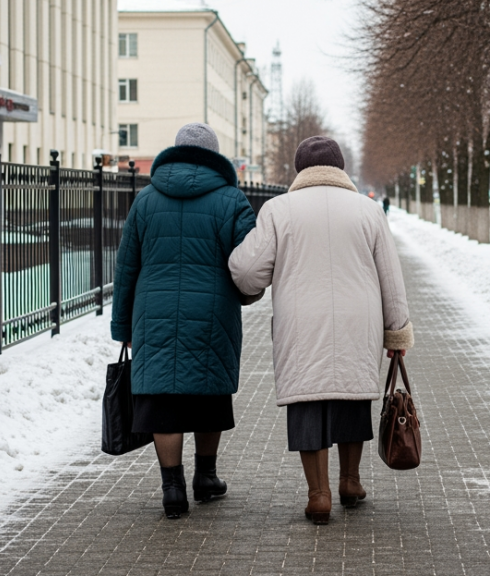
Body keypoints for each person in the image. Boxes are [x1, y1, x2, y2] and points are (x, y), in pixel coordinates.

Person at [229, 136, 413, 525]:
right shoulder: (368, 210)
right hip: (357, 321)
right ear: (340, 168)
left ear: (300, 170)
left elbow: (248, 274)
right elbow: (391, 278)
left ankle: (318, 495)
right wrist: (396, 331)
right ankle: (350, 481)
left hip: (301, 320)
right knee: (350, 396)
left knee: (307, 401)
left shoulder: (279, 209)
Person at [111, 122, 257, 519]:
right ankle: (205, 477)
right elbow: (249, 262)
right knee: (208, 394)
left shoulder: (146, 200)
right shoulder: (231, 200)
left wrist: (122, 326)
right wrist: (248, 294)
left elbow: (126, 268)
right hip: (212, 312)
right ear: (214, 155)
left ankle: (172, 487)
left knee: (162, 399)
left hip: (153, 314)